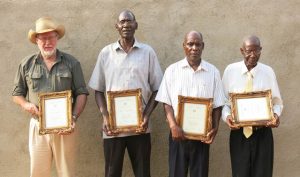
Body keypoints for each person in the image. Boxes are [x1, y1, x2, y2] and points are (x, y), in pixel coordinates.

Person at [88, 10, 163, 177]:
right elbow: (98, 89)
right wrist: (105, 116)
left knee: (143, 172)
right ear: (116, 26)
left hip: (140, 127)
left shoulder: (147, 52)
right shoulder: (106, 53)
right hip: (112, 128)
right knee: (112, 173)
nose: (126, 25)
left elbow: (158, 88)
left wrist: (146, 115)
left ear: (136, 25)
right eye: (122, 22)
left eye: (129, 21)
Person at [12, 17, 89, 177]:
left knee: (67, 173)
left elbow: (81, 92)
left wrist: (73, 117)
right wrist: (26, 105)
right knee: (38, 173)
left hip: (66, 128)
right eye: (43, 38)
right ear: (36, 41)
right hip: (38, 127)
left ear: (57, 38)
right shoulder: (26, 64)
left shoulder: (71, 63)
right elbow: (17, 93)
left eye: (51, 37)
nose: (48, 42)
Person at [155, 31, 225, 177]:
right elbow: (166, 103)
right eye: (190, 44)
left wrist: (216, 128)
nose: (194, 48)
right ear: (184, 46)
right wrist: (173, 126)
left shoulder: (213, 72)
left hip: (202, 138)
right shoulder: (172, 71)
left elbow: (218, 105)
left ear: (203, 46)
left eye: (197, 44)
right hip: (177, 135)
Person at [222, 35, 283, 177]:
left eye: (257, 51)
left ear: (261, 50)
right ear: (242, 50)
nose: (253, 55)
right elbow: (224, 102)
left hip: (263, 133)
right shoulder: (230, 71)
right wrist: (228, 117)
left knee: (263, 173)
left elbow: (277, 103)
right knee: (240, 173)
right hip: (239, 134)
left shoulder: (268, 72)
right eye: (249, 51)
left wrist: (275, 115)